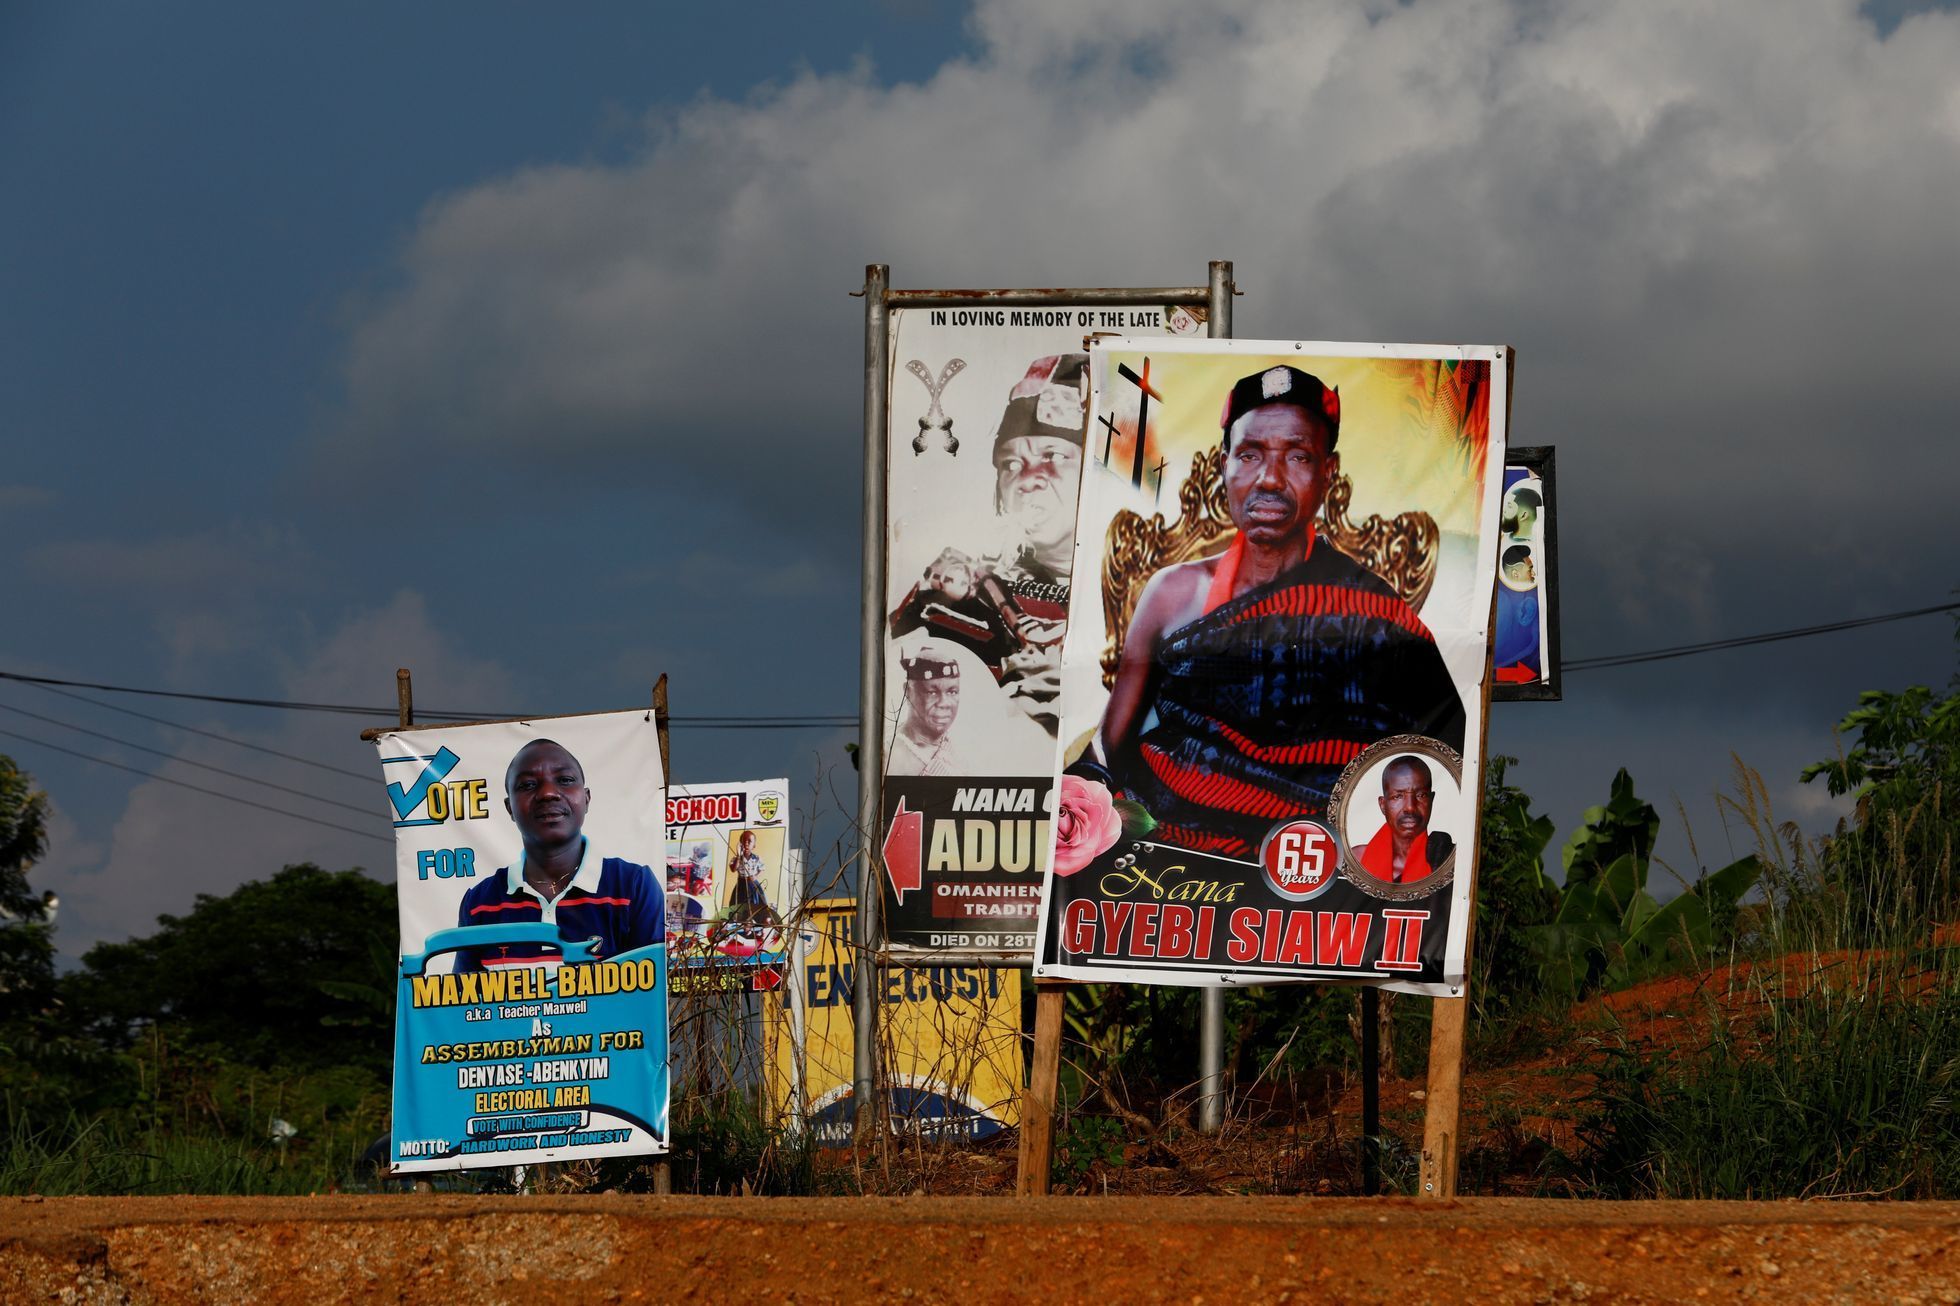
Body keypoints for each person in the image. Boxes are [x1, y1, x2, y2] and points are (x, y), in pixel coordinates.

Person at [1082, 364, 1466, 860]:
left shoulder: (1374, 610)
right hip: (1170, 868)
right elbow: (1109, 749)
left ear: (1328, 472)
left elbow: (1445, 752)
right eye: (1249, 455)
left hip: (1312, 877)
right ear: (1224, 465)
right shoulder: (1172, 593)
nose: (1269, 479)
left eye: (1298, 456)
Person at [453, 738, 664, 971]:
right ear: (509, 807)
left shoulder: (632, 887)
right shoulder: (479, 903)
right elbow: (465, 1004)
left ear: (586, 799)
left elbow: (647, 999)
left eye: (564, 780)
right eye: (528, 785)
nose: (548, 793)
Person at [1358, 756, 1454, 883]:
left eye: (1421, 795)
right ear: (1382, 805)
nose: (1410, 807)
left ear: (1431, 800)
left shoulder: (1449, 860)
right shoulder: (1358, 859)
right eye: (1398, 796)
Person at [887, 644, 964, 776]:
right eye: (932, 692)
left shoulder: (957, 750)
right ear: (908, 691)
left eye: (952, 692)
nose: (944, 703)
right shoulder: (890, 753)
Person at [726, 828, 777, 923]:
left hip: (753, 884)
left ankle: (757, 920)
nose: (746, 843)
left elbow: (761, 868)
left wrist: (756, 876)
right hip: (741, 884)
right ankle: (740, 920)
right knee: (738, 904)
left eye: (749, 841)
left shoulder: (757, 858)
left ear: (754, 845)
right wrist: (738, 855)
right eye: (743, 840)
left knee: (756, 903)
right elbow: (733, 869)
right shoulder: (736, 858)